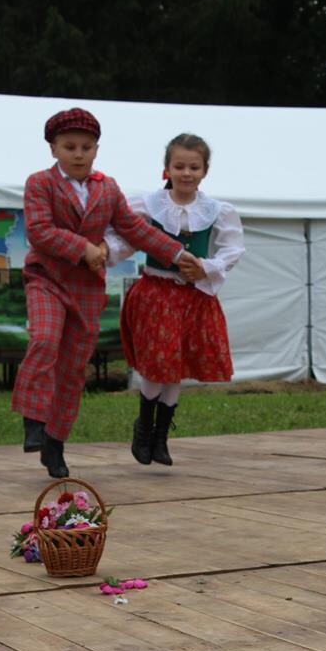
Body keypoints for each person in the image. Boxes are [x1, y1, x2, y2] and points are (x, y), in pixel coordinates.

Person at [11, 108, 196, 478]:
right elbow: (39, 231)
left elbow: (135, 229)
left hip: (86, 289)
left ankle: (55, 443)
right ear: (53, 149)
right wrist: (84, 248)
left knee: (72, 369)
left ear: (96, 149)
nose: (78, 154)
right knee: (44, 339)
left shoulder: (107, 188)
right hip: (47, 279)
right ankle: (33, 420)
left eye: (86, 147)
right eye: (69, 147)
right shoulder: (40, 183)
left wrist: (177, 254)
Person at [106, 133, 244, 467]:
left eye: (194, 167)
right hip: (157, 293)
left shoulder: (216, 210)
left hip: (192, 297)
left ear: (205, 170)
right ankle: (143, 429)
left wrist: (206, 267)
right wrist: (105, 252)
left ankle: (160, 437)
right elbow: (124, 235)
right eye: (179, 166)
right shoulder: (148, 205)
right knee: (159, 361)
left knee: (176, 365)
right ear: (166, 169)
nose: (186, 173)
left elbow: (233, 249)